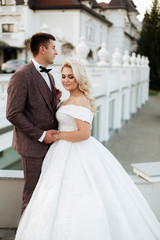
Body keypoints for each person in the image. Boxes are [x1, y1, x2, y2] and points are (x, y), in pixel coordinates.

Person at [15, 57, 160, 240]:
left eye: (71, 77)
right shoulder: (69, 98)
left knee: (78, 198)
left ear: (79, 78)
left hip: (75, 151)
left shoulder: (81, 100)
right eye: (64, 76)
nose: (66, 80)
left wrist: (58, 136)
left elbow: (84, 134)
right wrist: (58, 99)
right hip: (60, 153)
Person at [6, 32, 61, 214]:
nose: (57, 52)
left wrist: (56, 100)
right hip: (31, 147)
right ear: (42, 49)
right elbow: (13, 114)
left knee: (45, 194)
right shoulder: (21, 75)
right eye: (53, 48)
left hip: (50, 147)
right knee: (31, 196)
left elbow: (43, 109)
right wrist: (42, 135)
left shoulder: (50, 76)